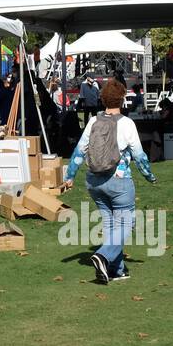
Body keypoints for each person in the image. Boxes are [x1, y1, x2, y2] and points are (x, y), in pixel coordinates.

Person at [63, 79, 157, 283]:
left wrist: (69, 176)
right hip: (119, 181)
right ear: (122, 100)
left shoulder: (92, 122)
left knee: (110, 224)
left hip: (94, 182)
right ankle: (103, 255)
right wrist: (150, 176)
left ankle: (117, 270)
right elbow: (139, 156)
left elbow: (79, 151)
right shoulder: (127, 123)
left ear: (102, 99)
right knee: (126, 222)